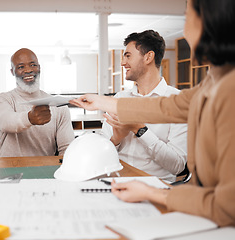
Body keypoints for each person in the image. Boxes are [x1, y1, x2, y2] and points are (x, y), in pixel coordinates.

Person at [71, 0, 235, 227]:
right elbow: (168, 107)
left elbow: (226, 204)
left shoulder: (229, 89)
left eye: (188, 18)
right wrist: (103, 102)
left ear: (210, 22)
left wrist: (151, 191)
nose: (185, 29)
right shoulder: (211, 82)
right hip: (142, 190)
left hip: (200, 210)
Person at [101, 30, 187, 182]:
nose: (122, 62)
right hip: (117, 183)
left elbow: (178, 166)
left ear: (148, 57)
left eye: (128, 56)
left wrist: (139, 129)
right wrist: (116, 139)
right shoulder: (119, 99)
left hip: (156, 187)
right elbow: (101, 155)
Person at [0, 48, 74, 157]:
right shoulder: (2, 99)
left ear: (39, 68)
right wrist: (30, 118)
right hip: (8, 170)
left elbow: (67, 148)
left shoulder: (58, 106)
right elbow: (6, 122)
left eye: (33, 65)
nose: (28, 70)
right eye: (21, 67)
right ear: (12, 71)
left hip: (44, 169)